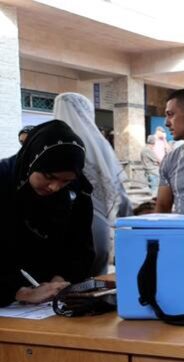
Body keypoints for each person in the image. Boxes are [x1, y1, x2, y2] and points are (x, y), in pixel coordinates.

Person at [0, 120, 95, 306]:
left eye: (65, 181)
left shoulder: (77, 194)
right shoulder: (3, 183)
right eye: (49, 177)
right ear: (31, 163)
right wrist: (21, 292)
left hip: (47, 305)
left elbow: (80, 248)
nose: (54, 187)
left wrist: (60, 280)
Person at [54, 92, 132, 275]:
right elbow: (119, 194)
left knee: (64, 285)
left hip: (58, 229)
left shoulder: (50, 144)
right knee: (96, 284)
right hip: (97, 224)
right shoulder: (97, 143)